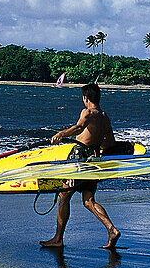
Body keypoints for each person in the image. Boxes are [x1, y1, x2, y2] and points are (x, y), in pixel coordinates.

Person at [41, 83, 121, 249]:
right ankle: (111, 229)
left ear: (86, 98)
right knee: (89, 200)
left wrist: (61, 134)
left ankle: (58, 239)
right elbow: (110, 142)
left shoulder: (88, 112)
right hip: (93, 159)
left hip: (79, 157)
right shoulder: (104, 116)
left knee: (64, 196)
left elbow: (79, 127)